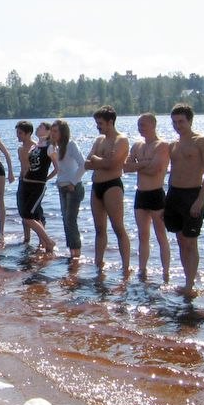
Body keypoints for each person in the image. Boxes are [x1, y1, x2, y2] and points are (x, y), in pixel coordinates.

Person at [165, 103, 204, 296]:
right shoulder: (173, 145)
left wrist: (200, 199)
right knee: (180, 240)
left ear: (190, 121)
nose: (178, 125)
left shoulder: (201, 141)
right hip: (173, 194)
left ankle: (190, 285)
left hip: (192, 194)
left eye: (181, 121)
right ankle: (187, 280)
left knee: (191, 242)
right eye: (174, 122)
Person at [123, 113, 170, 281]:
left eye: (143, 125)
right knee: (143, 235)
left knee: (161, 235)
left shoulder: (162, 145)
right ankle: (142, 270)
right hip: (140, 194)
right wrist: (144, 164)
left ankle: (166, 272)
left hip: (156, 193)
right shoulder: (137, 145)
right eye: (138, 125)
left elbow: (155, 169)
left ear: (153, 125)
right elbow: (126, 167)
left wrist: (139, 165)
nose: (140, 128)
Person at [84, 105, 130, 274]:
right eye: (97, 123)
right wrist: (100, 160)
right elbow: (87, 163)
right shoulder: (99, 140)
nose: (98, 127)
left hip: (112, 186)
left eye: (100, 123)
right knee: (99, 229)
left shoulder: (121, 140)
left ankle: (126, 267)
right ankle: (98, 264)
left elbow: (112, 164)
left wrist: (97, 160)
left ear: (110, 122)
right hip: (96, 186)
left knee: (118, 227)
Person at [15, 121, 57, 252]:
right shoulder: (35, 147)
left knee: (28, 216)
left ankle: (49, 242)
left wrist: (46, 178)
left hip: (38, 185)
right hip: (26, 183)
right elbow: (28, 166)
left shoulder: (50, 147)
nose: (37, 128)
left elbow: (57, 168)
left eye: (40, 127)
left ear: (48, 131)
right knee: (28, 215)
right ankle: (43, 242)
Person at [51, 119, 85, 259]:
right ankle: (72, 252)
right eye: (51, 131)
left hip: (73, 188)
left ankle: (76, 253)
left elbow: (83, 164)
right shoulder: (56, 147)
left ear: (63, 132)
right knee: (65, 220)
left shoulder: (71, 145)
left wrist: (73, 182)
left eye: (55, 131)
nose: (52, 134)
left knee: (70, 220)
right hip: (62, 187)